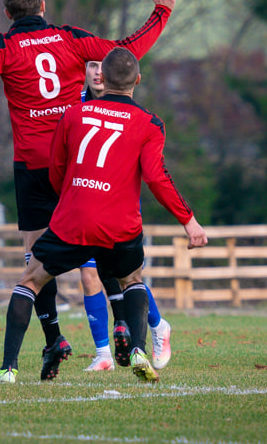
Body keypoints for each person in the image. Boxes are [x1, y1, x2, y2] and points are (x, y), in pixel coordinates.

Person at [0, 0, 176, 382]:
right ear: (43, 6)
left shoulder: (3, 46)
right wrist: (161, 12)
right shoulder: (70, 37)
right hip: (75, 163)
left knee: (41, 263)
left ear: (7, 12)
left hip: (35, 167)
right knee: (95, 249)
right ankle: (88, 336)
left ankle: (123, 329)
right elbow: (126, 52)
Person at [0, 47, 207, 383]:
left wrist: (76, 197)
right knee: (131, 279)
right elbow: (156, 178)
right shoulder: (150, 123)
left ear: (101, 78)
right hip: (119, 225)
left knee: (30, 282)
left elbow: (56, 170)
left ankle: (8, 370)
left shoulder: (74, 114)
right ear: (138, 79)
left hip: (73, 220)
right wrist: (188, 221)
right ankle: (137, 348)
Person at [79, 60, 172, 372]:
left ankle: (158, 326)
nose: (95, 72)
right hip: (86, 206)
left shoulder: (134, 112)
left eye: (99, 66)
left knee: (127, 276)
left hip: (120, 207)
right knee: (88, 273)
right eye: (90, 65)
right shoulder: (75, 108)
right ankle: (103, 354)